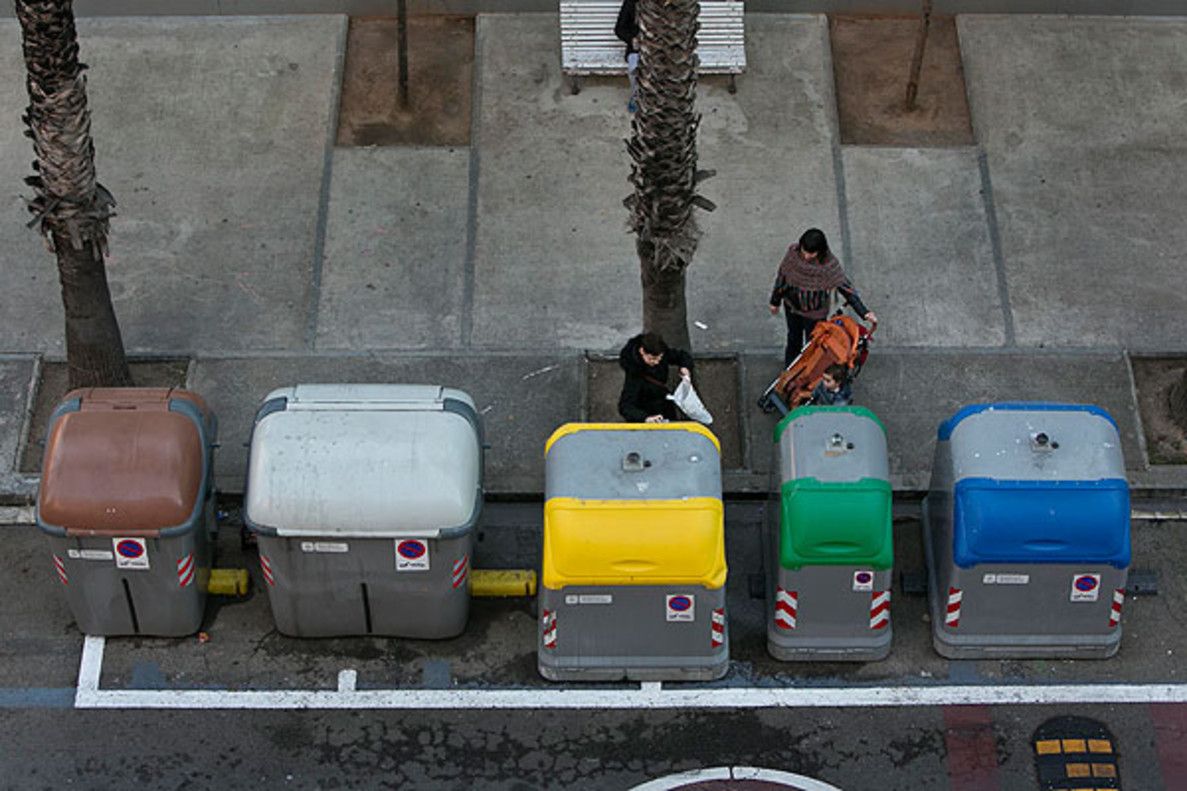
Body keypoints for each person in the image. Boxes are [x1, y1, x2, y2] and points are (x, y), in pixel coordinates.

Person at [768, 228, 878, 367]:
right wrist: (775, 301)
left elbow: (846, 288)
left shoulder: (828, 266)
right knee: (793, 339)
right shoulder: (793, 255)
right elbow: (782, 278)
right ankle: (790, 370)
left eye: (811, 253)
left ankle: (808, 372)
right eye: (804, 251)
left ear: (820, 250)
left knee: (814, 344)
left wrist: (864, 311)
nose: (807, 256)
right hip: (792, 308)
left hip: (815, 315)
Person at [618, 332, 694, 423]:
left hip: (664, 406)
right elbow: (626, 406)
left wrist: (685, 367)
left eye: (660, 358)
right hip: (647, 412)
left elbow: (681, 356)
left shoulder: (660, 353)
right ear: (642, 351)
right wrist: (645, 418)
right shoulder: (634, 374)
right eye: (652, 359)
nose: (657, 362)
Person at [615, 0, 639, 113]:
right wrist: (631, 39)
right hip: (636, 49)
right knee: (633, 67)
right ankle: (636, 96)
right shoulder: (631, 2)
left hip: (659, 49)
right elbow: (619, 29)